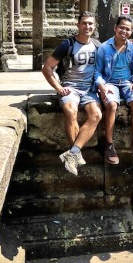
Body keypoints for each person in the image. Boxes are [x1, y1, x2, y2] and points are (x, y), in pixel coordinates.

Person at [42, 11, 103, 176]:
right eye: (84, 23)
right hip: (70, 87)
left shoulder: (98, 46)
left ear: (94, 26)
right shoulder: (67, 45)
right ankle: (76, 155)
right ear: (78, 25)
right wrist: (58, 88)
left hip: (89, 89)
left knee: (96, 115)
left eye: (90, 23)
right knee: (70, 111)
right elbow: (47, 68)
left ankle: (73, 153)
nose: (87, 26)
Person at [94, 14, 133, 164]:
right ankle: (109, 144)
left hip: (127, 82)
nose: (124, 31)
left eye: (128, 29)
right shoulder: (104, 48)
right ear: (115, 28)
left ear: (131, 31)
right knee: (111, 104)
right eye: (121, 27)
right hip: (110, 82)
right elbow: (97, 71)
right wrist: (101, 86)